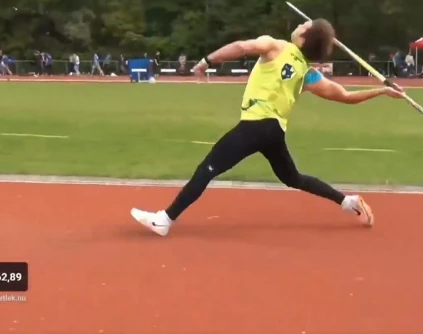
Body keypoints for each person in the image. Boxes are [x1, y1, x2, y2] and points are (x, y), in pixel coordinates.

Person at [130, 19, 404, 236]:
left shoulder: (276, 45)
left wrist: (207, 61)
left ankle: (164, 220)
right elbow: (344, 96)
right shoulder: (307, 72)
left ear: (305, 37)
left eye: (304, 26)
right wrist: (380, 91)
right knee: (292, 177)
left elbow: (240, 47)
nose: (299, 25)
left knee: (207, 168)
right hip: (274, 131)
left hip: (256, 125)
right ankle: (348, 202)